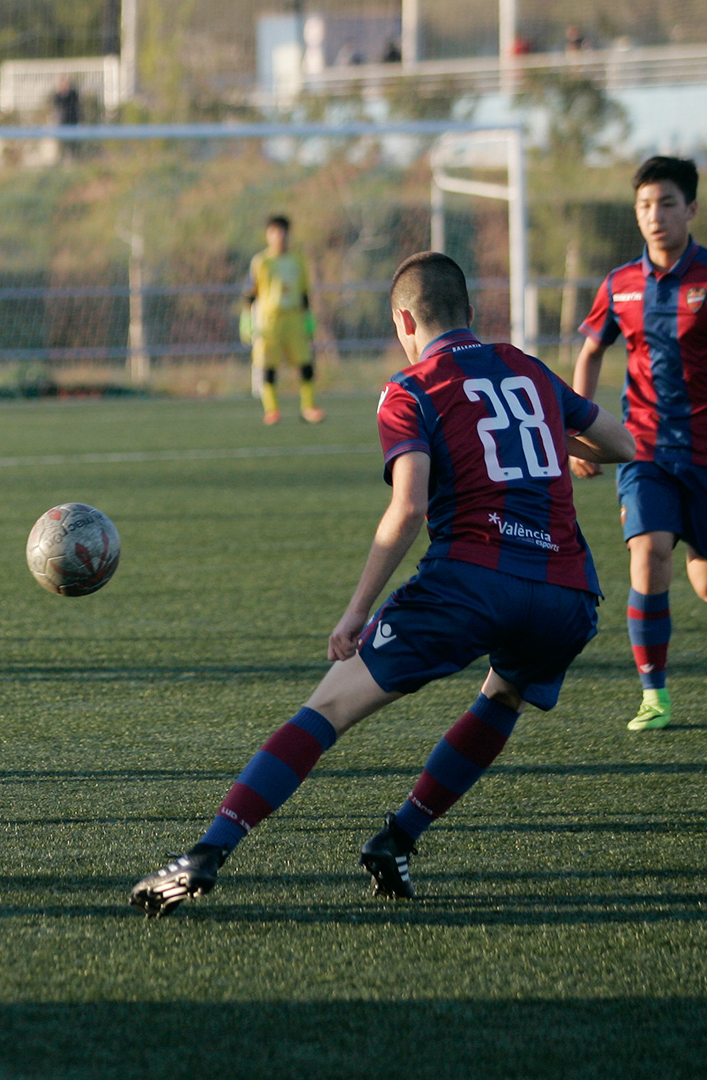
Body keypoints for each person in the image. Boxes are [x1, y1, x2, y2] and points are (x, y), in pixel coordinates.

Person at [131, 251, 634, 916]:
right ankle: (397, 838)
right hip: (568, 596)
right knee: (504, 694)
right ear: (472, 314)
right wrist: (561, 446)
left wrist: (354, 614)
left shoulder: (411, 388)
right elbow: (621, 444)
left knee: (328, 708)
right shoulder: (529, 369)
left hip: (470, 584)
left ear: (403, 320)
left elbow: (409, 508)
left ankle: (205, 854)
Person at [572, 155, 707, 732]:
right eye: (645, 206)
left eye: (667, 204)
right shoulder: (620, 284)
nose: (655, 216)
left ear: (691, 209)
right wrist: (579, 433)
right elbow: (591, 350)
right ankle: (654, 695)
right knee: (648, 556)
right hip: (644, 448)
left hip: (704, 452)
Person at [240, 215, 324, 425]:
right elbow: (250, 293)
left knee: (305, 363)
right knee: (268, 365)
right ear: (268, 235)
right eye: (275, 232)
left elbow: (304, 292)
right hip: (270, 320)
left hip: (294, 317)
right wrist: (246, 321)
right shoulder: (261, 261)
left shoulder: (298, 260)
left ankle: (308, 407)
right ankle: (272, 410)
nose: (280, 236)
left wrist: (309, 319)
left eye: (283, 231)